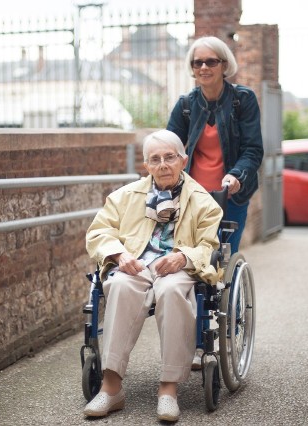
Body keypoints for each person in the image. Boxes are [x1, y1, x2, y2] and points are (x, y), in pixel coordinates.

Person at [83, 129, 223, 422]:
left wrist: (184, 256)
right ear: (145, 165)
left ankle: (168, 390)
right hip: (137, 264)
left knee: (172, 292)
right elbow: (99, 232)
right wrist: (119, 255)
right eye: (155, 159)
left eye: (169, 157)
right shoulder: (125, 196)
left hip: (178, 268)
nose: (163, 165)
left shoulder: (203, 201)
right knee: (119, 284)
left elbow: (210, 246)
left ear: (183, 160)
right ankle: (111, 388)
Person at [167, 35, 264, 254]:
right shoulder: (185, 105)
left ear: (224, 65)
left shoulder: (243, 100)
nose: (203, 67)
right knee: (191, 259)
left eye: (211, 61)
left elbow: (253, 149)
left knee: (222, 259)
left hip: (230, 197)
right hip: (193, 197)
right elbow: (168, 147)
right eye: (197, 62)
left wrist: (236, 175)